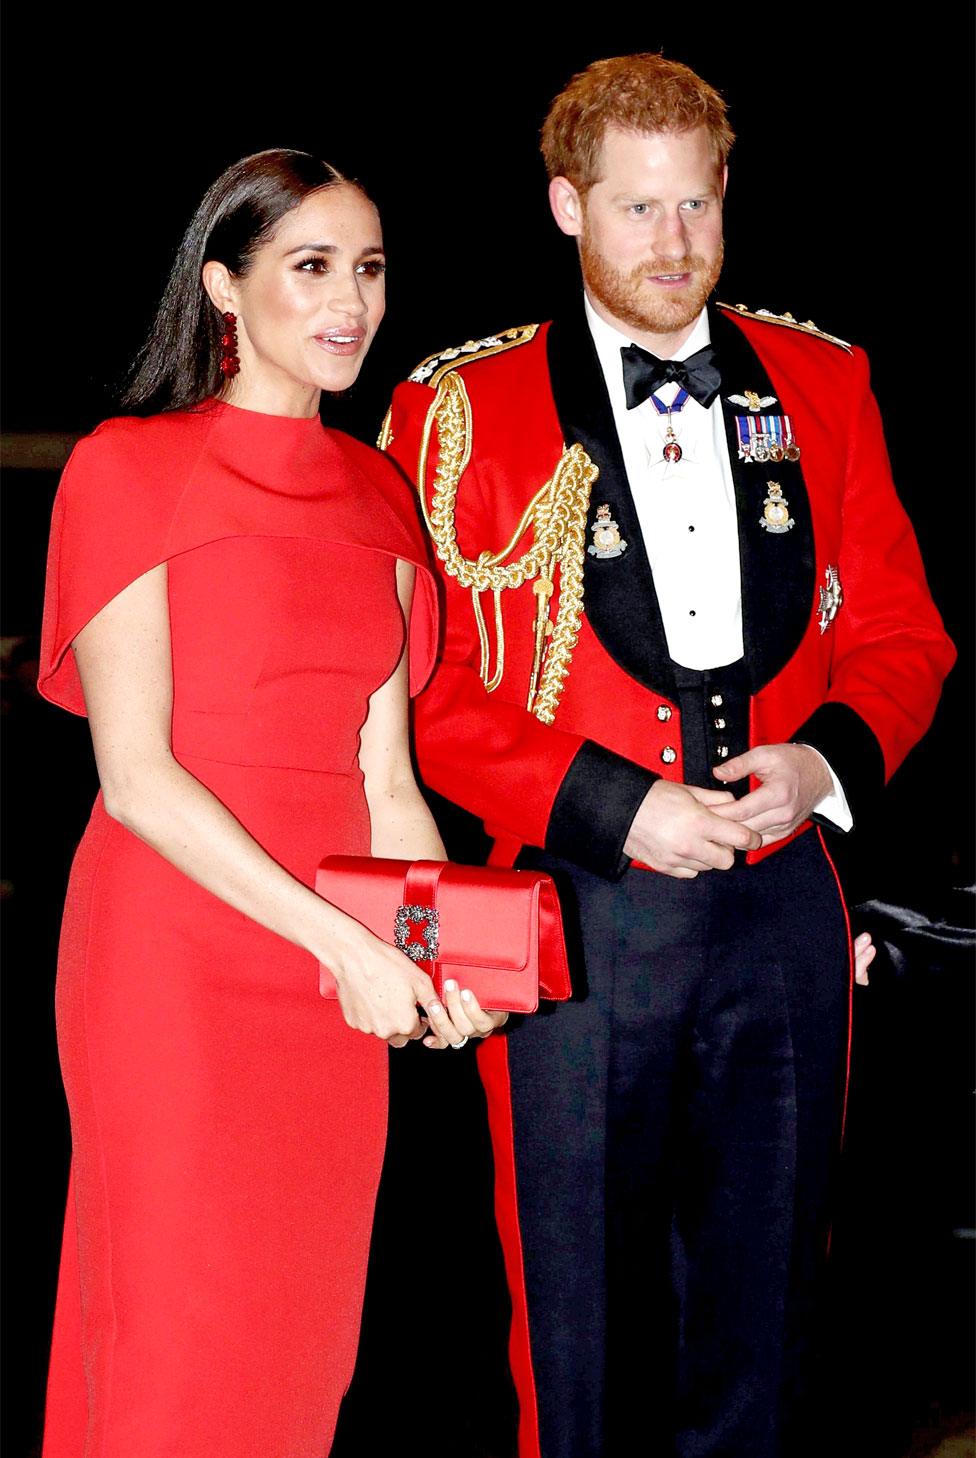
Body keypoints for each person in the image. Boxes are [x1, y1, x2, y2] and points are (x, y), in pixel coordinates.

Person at [383, 55, 955, 1458]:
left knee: (768, 1302)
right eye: (638, 210)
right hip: (576, 906)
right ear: (568, 205)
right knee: (572, 1318)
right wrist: (610, 802)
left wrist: (820, 766)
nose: (675, 244)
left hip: (784, 909)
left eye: (696, 205)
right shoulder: (458, 411)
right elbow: (422, 690)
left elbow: (905, 637)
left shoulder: (825, 379)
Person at [37, 148, 505, 1458]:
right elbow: (135, 779)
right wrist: (347, 944)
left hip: (333, 978)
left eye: (367, 268)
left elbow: (389, 780)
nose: (350, 299)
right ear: (223, 287)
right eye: (311, 267)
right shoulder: (128, 468)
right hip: (176, 959)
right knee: (183, 1328)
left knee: (305, 1341)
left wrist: (439, 953)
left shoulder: (378, 495)